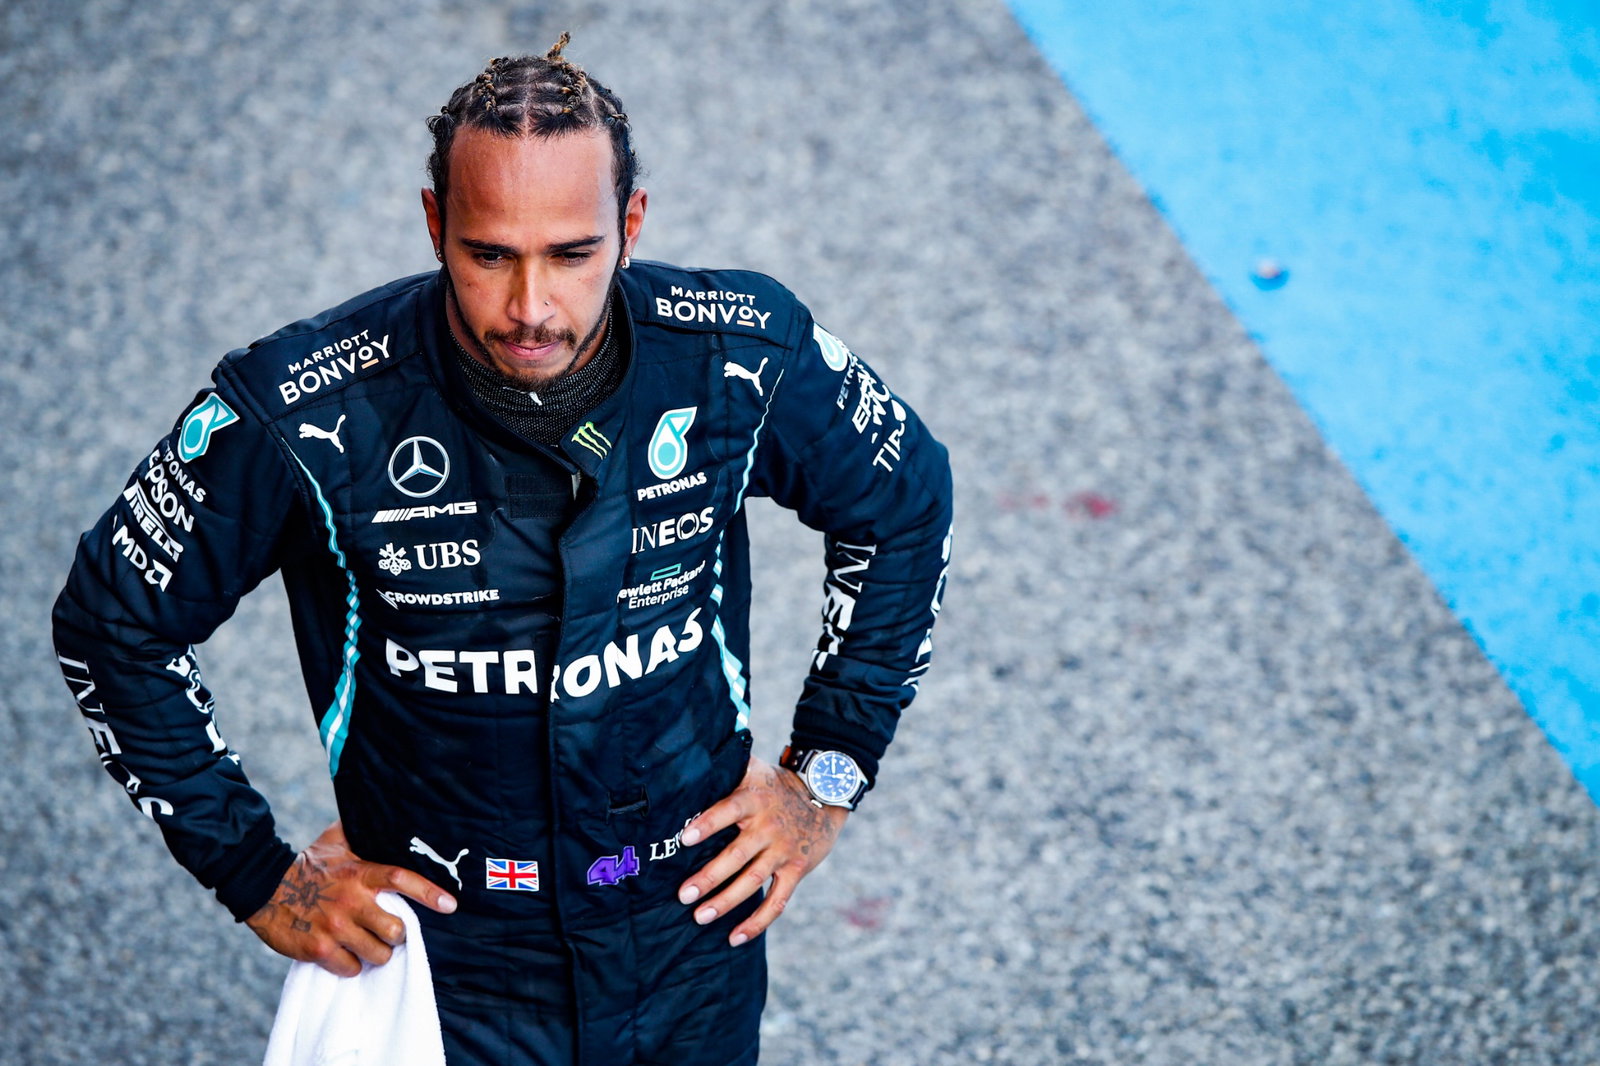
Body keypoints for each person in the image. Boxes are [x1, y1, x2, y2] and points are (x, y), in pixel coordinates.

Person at [52, 35, 951, 1066]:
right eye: (490, 254)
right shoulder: (300, 407)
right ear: (435, 224)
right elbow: (112, 625)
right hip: (446, 971)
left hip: (689, 942)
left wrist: (823, 775)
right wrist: (256, 873)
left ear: (632, 225)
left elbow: (905, 501)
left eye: (573, 253)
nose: (531, 306)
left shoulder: (739, 352)